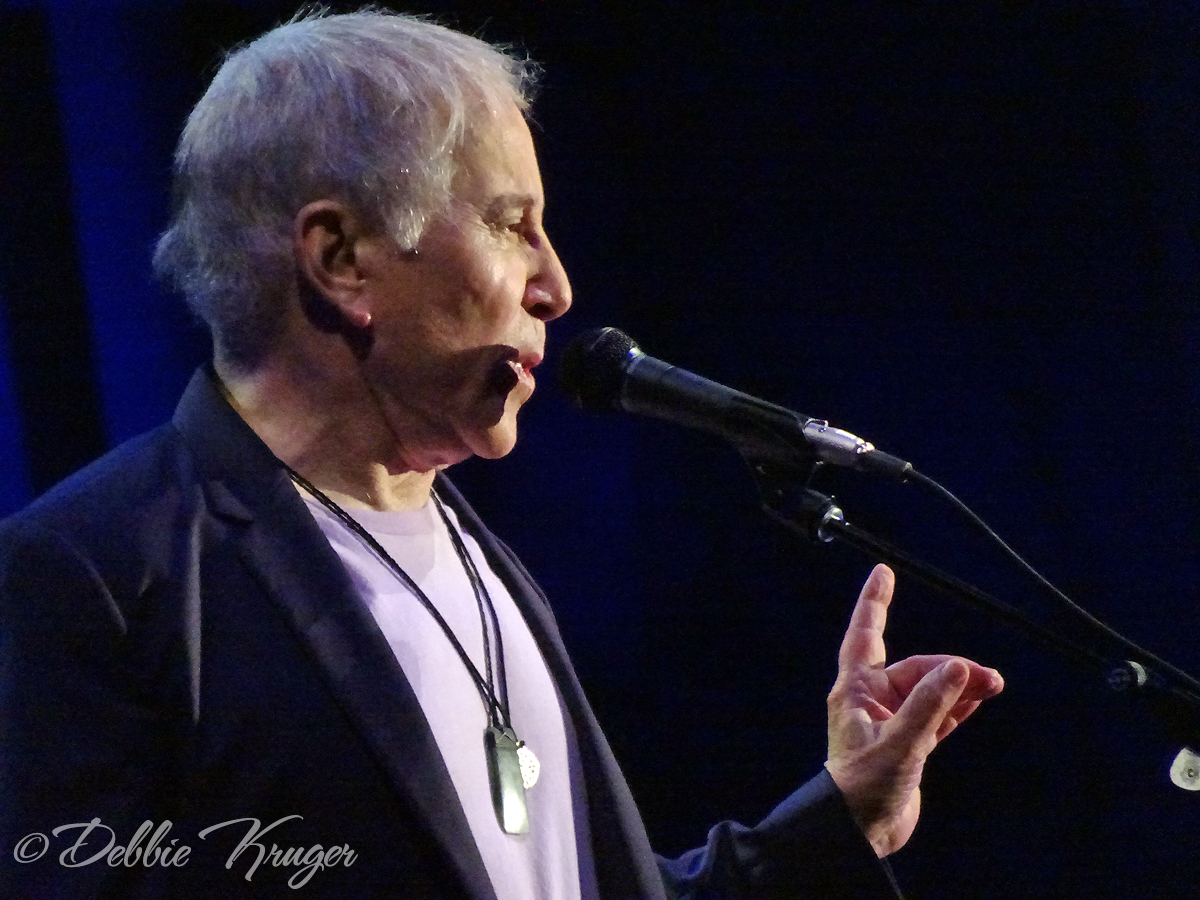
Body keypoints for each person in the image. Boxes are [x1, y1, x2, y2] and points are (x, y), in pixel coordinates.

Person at [0, 10, 1003, 899]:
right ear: (342, 258)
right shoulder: (90, 577)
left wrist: (841, 818)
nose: (556, 287)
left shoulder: (480, 560)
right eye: (509, 224)